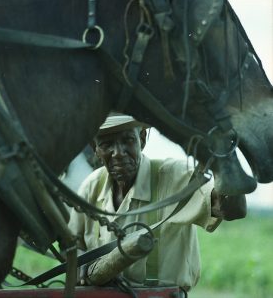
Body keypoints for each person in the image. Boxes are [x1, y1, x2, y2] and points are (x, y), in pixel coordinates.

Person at [68, 112, 246, 296]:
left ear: (142, 139)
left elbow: (235, 211)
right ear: (95, 148)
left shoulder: (174, 176)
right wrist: (83, 264)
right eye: (106, 145)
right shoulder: (92, 186)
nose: (118, 153)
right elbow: (72, 243)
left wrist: (225, 159)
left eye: (128, 140)